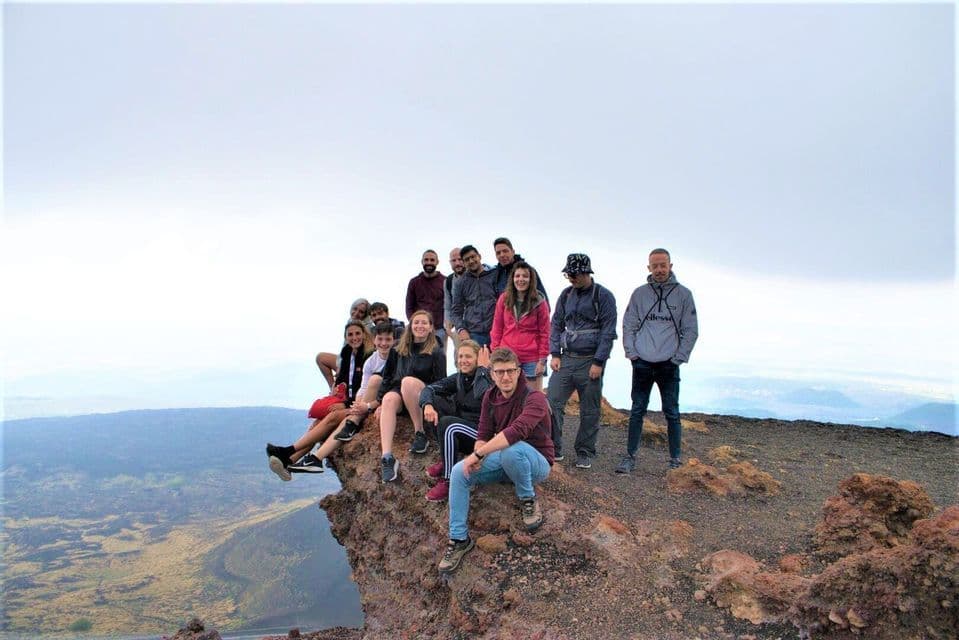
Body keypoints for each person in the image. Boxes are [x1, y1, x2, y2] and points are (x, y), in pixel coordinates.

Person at [437, 347, 554, 574]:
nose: (506, 377)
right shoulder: (490, 397)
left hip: (536, 463)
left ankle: (527, 499)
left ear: (519, 372)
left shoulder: (535, 398)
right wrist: (478, 452)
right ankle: (459, 539)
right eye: (500, 372)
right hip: (505, 461)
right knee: (460, 471)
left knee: (512, 449)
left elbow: (517, 431)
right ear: (491, 374)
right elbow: (483, 432)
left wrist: (479, 454)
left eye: (510, 371)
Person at [617, 248, 699, 473]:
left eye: (663, 265)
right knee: (637, 410)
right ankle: (630, 457)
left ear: (671, 266)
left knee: (672, 412)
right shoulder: (639, 294)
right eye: (655, 266)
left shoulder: (683, 295)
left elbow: (691, 330)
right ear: (649, 268)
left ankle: (675, 460)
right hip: (642, 361)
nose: (660, 270)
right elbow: (629, 324)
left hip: (668, 363)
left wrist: (678, 358)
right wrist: (632, 354)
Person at [267, 320, 373, 480]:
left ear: (364, 334)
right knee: (318, 423)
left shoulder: (369, 356)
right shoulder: (347, 353)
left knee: (332, 417)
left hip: (362, 404)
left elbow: (365, 387)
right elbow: (343, 377)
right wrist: (336, 389)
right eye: (350, 334)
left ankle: (287, 451)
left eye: (357, 333)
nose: (354, 337)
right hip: (349, 401)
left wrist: (344, 404)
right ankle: (289, 461)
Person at [286, 321, 397, 473]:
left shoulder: (398, 357)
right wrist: (358, 404)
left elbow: (396, 387)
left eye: (388, 339)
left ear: (394, 340)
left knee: (375, 380)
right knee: (335, 421)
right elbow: (362, 389)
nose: (384, 343)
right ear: (374, 340)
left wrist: (372, 406)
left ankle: (292, 452)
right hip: (365, 405)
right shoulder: (370, 360)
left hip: (387, 402)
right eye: (380, 339)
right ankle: (313, 458)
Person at [546, 253, 618, 469]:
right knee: (552, 402)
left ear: (587, 272)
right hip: (566, 359)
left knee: (590, 409)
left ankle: (585, 452)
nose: (571, 278)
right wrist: (555, 353)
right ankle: (554, 447)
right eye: (569, 274)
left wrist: (599, 361)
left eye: (575, 274)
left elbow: (608, 331)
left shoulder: (603, 296)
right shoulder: (566, 295)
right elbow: (556, 324)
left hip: (590, 361)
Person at [418, 340, 493, 501]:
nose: (463, 360)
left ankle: (449, 480)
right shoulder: (459, 377)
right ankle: (447, 460)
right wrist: (428, 405)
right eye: (460, 356)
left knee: (448, 424)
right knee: (434, 403)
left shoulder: (488, 378)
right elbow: (429, 389)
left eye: (468, 356)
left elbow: (481, 394)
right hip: (465, 431)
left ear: (478, 358)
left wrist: (482, 369)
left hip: (484, 437)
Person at [377, 309, 446, 483]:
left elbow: (441, 383)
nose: (420, 326)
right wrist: (379, 402)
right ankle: (387, 457)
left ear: (431, 328)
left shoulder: (436, 352)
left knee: (408, 382)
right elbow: (387, 377)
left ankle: (420, 433)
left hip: (423, 396)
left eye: (424, 323)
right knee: (389, 399)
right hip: (400, 394)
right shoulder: (398, 349)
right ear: (410, 326)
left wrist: (430, 402)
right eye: (416, 322)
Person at [490, 261, 551, 392]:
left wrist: (542, 360)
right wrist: (495, 352)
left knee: (533, 397)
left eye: (525, 276)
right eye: (517, 276)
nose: (521, 279)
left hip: (531, 358)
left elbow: (545, 333)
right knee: (508, 396)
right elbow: (497, 327)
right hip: (507, 356)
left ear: (531, 279)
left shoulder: (539, 302)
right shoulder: (504, 299)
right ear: (512, 279)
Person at [315, 298, 372, 389]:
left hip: (358, 363)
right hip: (345, 358)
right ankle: (333, 389)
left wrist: (341, 368)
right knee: (321, 357)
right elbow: (346, 350)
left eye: (361, 312)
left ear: (365, 315)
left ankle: (340, 388)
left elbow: (359, 352)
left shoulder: (367, 327)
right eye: (355, 309)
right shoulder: (351, 322)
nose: (356, 313)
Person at [450, 244, 498, 347]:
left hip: (496, 331)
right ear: (463, 262)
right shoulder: (460, 282)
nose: (471, 261)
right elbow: (456, 311)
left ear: (479, 256)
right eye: (467, 259)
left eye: (473, 257)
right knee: (477, 363)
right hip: (474, 334)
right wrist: (461, 329)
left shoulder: (494, 274)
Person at [405, 249, 447, 344]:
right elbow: (409, 307)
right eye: (426, 260)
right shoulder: (414, 282)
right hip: (419, 329)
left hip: (439, 330)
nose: (429, 262)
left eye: (432, 260)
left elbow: (450, 306)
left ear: (437, 262)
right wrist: (415, 324)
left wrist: (447, 326)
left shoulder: (445, 281)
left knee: (438, 357)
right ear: (422, 261)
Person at [443, 247, 466, 354]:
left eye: (460, 259)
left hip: (478, 327)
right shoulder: (448, 281)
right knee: (460, 359)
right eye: (454, 260)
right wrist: (448, 326)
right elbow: (448, 306)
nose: (457, 263)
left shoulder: (475, 277)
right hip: (458, 327)